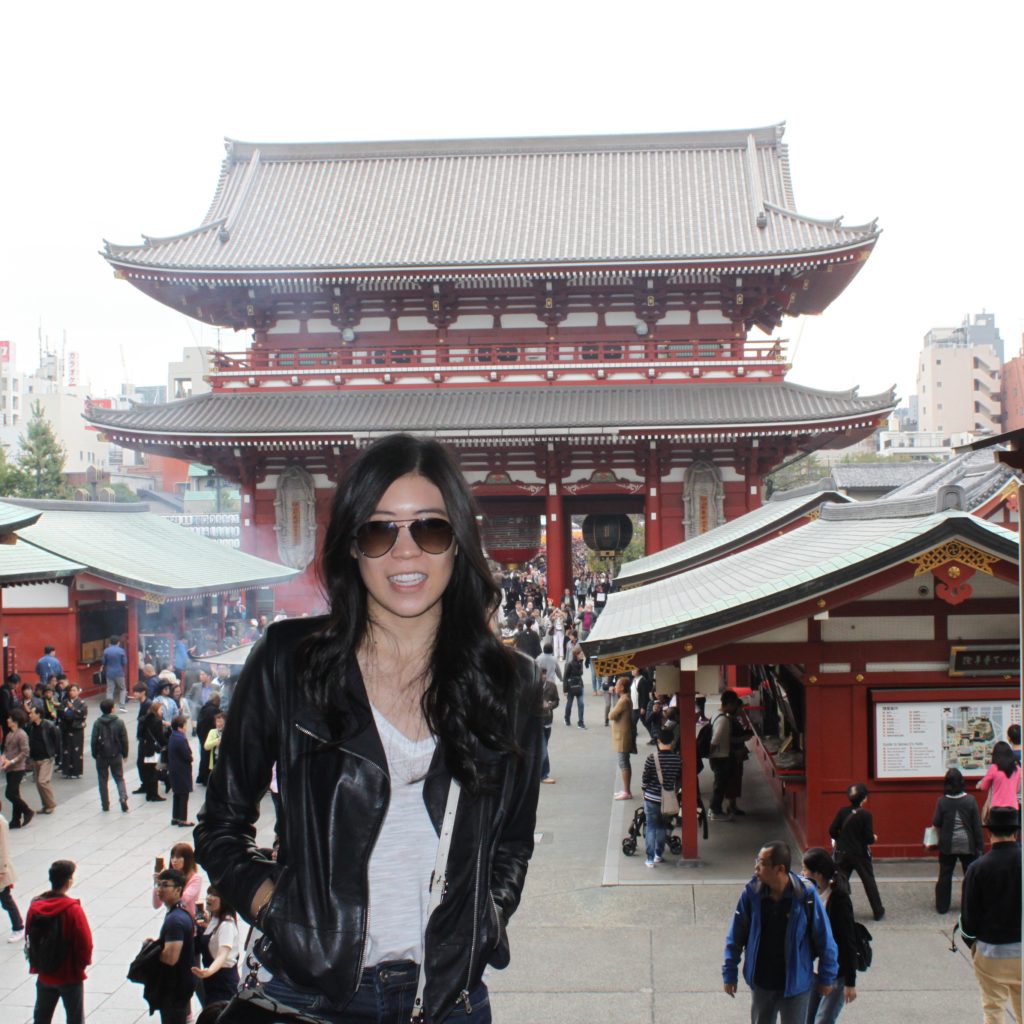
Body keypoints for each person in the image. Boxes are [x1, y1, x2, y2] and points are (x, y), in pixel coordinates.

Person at [194, 433, 542, 1024]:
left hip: (445, 998)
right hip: (309, 994)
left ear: (458, 542)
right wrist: (278, 909)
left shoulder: (510, 685)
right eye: (380, 531)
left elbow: (512, 841)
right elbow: (220, 827)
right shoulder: (289, 662)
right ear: (353, 546)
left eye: (429, 529)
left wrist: (486, 920)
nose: (405, 553)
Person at [722, 840, 838, 1024]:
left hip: (796, 985)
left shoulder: (805, 896)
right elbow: (736, 935)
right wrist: (729, 972)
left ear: (780, 869)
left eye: (762, 863)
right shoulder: (752, 894)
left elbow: (825, 938)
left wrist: (826, 977)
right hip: (762, 983)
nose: (756, 867)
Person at [959, 805, 1021, 1024]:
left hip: (992, 949)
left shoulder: (978, 868)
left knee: (993, 1008)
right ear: (1017, 831)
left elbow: (968, 916)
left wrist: (971, 943)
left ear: (989, 831)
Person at [26, 859, 93, 1024]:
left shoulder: (35, 906)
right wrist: (80, 966)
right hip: (69, 974)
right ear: (69, 880)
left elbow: (29, 937)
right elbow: (85, 944)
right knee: (74, 1018)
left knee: (41, 1017)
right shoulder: (72, 909)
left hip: (45, 973)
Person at [801, 847, 857, 1024]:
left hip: (836, 974)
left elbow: (848, 941)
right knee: (807, 1019)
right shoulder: (810, 895)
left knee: (823, 1020)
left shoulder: (838, 900)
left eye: (805, 869)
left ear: (817, 874)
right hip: (815, 971)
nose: (802, 873)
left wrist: (850, 982)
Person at [828, 783, 885, 921]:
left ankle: (833, 910)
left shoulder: (842, 812)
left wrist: (839, 839)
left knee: (840, 882)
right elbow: (868, 838)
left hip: (843, 852)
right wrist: (874, 838)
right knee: (868, 881)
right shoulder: (866, 815)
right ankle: (878, 911)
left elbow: (832, 830)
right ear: (864, 798)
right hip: (860, 854)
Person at [932, 767, 983, 914]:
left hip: (948, 844)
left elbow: (936, 822)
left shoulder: (942, 801)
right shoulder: (970, 800)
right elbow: (976, 826)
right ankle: (970, 905)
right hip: (968, 844)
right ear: (962, 782)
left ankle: (942, 906)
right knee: (969, 875)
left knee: (945, 874)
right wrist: (979, 846)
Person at [151, 868, 197, 1024]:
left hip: (174, 988)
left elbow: (170, 958)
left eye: (165, 885)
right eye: (158, 885)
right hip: (179, 986)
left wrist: (151, 951)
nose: (160, 889)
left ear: (178, 889)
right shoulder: (179, 913)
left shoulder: (175, 920)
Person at [191, 884, 241, 1007]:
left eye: (215, 895)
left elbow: (223, 954)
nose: (209, 897)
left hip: (224, 983)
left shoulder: (227, 925)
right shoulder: (214, 919)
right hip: (212, 982)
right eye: (209, 893)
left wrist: (209, 971)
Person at [640, 726, 681, 867]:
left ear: (658, 741)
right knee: (663, 827)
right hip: (667, 800)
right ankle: (658, 854)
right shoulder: (677, 760)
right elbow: (678, 779)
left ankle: (649, 859)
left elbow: (645, 778)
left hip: (651, 798)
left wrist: (644, 789)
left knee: (651, 827)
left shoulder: (651, 758)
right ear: (673, 742)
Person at [91, 698, 130, 813]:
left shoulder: (97, 723)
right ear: (112, 709)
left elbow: (93, 740)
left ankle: (105, 804)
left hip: (101, 755)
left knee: (102, 779)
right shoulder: (119, 722)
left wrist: (95, 753)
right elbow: (124, 739)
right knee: (119, 777)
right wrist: (125, 753)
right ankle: (123, 797)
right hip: (116, 754)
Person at [152, 842, 203, 919]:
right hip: (172, 917)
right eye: (172, 857)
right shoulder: (170, 878)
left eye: (178, 857)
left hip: (188, 920)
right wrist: (158, 883)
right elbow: (156, 904)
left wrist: (167, 887)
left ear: (187, 859)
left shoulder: (196, 878)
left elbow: (183, 899)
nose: (174, 860)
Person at [2, 708, 34, 828]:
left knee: (9, 793)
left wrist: (12, 761)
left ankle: (27, 811)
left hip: (18, 768)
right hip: (9, 767)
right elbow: (6, 749)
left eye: (9, 718)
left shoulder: (21, 734)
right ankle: (16, 820)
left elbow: (25, 752)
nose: (7, 720)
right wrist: (4, 758)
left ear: (15, 721)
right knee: (15, 793)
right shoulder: (9, 734)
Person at [26, 703, 59, 815]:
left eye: (32, 713)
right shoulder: (30, 726)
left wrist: (55, 754)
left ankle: (51, 804)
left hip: (46, 758)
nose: (30, 714)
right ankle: (45, 805)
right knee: (38, 783)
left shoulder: (49, 726)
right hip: (35, 758)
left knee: (43, 781)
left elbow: (56, 740)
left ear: (39, 714)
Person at [609, 675, 635, 800]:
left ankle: (627, 791)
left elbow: (612, 715)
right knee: (623, 762)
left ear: (622, 687)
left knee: (623, 763)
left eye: (617, 685)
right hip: (622, 735)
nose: (615, 687)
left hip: (623, 736)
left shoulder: (623, 700)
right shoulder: (624, 698)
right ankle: (625, 790)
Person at [977, 740, 1021, 813]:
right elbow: (1016, 789)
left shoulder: (994, 768)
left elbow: (984, 787)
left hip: (996, 808)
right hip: (1013, 807)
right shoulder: (1017, 769)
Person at [0, 811, 24, 942]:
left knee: (6, 900)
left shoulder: (0, 822)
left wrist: (2, 870)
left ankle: (18, 927)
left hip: (1, 869)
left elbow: (3, 848)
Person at [167, 714, 194, 826]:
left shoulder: (173, 736)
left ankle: (175, 817)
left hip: (174, 768)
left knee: (177, 794)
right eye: (185, 725)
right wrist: (191, 757)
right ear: (180, 727)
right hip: (182, 769)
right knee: (183, 794)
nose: (186, 728)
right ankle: (182, 819)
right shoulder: (181, 739)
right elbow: (187, 756)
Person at [139, 700, 168, 802]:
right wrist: (166, 744)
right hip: (154, 749)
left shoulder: (144, 719)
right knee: (154, 772)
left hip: (146, 749)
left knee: (148, 771)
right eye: (161, 709)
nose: (162, 712)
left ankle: (149, 794)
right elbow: (160, 736)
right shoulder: (157, 721)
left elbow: (140, 735)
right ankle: (154, 795)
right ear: (156, 710)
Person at [59, 685, 87, 779]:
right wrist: (69, 713)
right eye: (70, 690)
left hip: (77, 728)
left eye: (74, 690)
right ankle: (67, 771)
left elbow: (82, 714)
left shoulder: (82, 703)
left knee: (77, 750)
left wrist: (72, 709)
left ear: (78, 692)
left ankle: (76, 771)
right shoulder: (64, 702)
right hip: (66, 728)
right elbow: (62, 713)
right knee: (66, 748)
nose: (72, 692)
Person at [539, 669, 559, 784]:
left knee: (544, 746)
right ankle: (544, 774)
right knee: (543, 750)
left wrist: (550, 705)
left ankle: (537, 772)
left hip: (548, 721)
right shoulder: (533, 687)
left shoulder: (552, 686)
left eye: (544, 674)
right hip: (537, 722)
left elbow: (557, 701)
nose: (543, 676)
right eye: (541, 674)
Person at [101, 635, 128, 711]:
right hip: (119, 672)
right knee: (122, 689)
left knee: (110, 690)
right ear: (118, 643)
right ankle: (122, 706)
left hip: (109, 672)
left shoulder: (106, 650)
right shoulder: (121, 651)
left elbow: (103, 661)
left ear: (110, 642)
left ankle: (109, 707)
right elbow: (124, 662)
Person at [563, 645, 586, 728]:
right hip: (571, 686)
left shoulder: (581, 662)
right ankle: (567, 718)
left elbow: (581, 673)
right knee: (569, 703)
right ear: (576, 654)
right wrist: (565, 690)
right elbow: (565, 677)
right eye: (581, 654)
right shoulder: (570, 664)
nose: (582, 655)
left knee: (581, 704)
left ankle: (581, 721)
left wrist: (581, 663)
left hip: (580, 685)